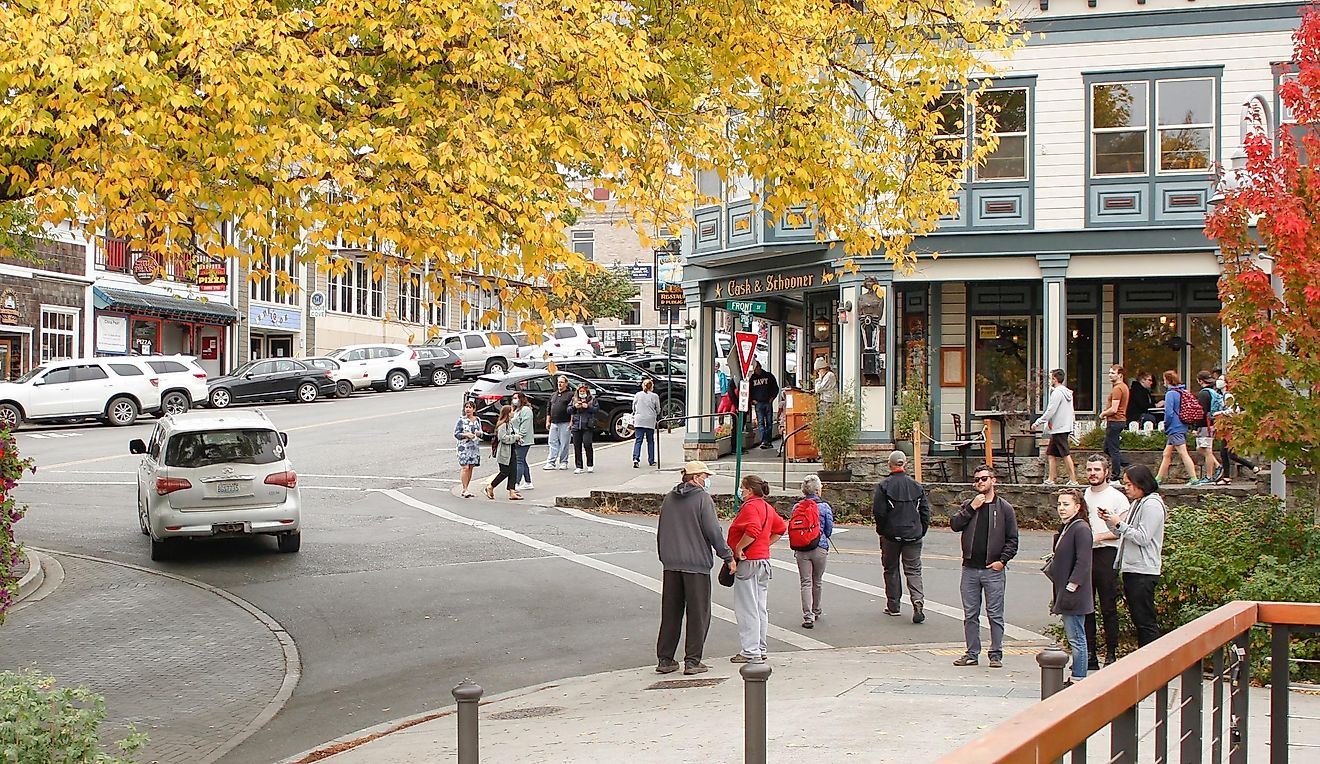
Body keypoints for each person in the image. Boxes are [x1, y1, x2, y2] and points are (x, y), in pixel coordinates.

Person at [656, 461, 735, 676]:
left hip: (671, 563)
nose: (707, 480)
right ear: (696, 477)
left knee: (671, 612)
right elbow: (713, 531)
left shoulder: (669, 498)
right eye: (705, 476)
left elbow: (662, 529)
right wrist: (727, 556)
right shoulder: (702, 499)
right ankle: (693, 661)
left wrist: (664, 556)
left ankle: (665, 659)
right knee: (698, 613)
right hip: (696, 564)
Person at [950, 464, 1019, 668]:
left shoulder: (1004, 508)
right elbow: (955, 525)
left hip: (992, 570)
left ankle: (995, 653)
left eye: (984, 478)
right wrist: (972, 508)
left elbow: (1012, 539)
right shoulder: (969, 505)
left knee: (995, 614)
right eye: (977, 479)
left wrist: (1002, 561)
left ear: (993, 481)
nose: (980, 482)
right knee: (970, 613)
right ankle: (972, 653)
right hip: (970, 568)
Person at [1101, 464, 1166, 648]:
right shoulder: (1138, 503)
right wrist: (1110, 521)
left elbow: (1143, 537)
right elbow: (1124, 532)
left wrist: (1119, 524)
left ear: (1141, 484)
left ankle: (1151, 660)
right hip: (1131, 568)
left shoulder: (1152, 504)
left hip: (1143, 570)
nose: (1126, 488)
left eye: (1129, 484)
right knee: (1139, 619)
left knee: (1145, 621)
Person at [728, 475, 786, 664]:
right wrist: (765, 544)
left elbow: (752, 529)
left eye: (742, 488)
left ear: (750, 490)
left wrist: (739, 548)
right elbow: (780, 528)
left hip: (749, 562)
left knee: (747, 608)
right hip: (762, 560)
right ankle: (760, 647)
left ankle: (750, 650)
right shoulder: (767, 507)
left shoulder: (750, 507)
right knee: (760, 607)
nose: (740, 491)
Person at [872, 450, 931, 624]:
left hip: (891, 534)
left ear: (889, 465)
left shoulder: (884, 486)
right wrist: (921, 530)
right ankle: (917, 601)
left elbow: (879, 512)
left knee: (891, 569)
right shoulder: (916, 486)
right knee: (913, 570)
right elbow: (925, 512)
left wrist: (882, 530)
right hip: (913, 534)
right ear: (905, 464)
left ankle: (894, 605)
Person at [1082, 454, 1128, 670]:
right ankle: (1090, 654)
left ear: (1106, 472)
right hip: (1087, 554)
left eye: (1097, 470)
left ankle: (1111, 652)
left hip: (1107, 553)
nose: (1092, 473)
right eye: (1090, 469)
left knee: (1108, 606)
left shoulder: (1117, 498)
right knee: (1087, 605)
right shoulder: (1084, 495)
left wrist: (1099, 537)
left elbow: (1123, 530)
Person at [1047, 489, 1094, 686]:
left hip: (1074, 591)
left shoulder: (1081, 528)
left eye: (1066, 504)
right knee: (1074, 634)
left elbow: (1084, 561)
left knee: (1077, 636)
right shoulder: (1067, 527)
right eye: (1059, 504)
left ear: (1078, 506)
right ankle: (1077, 672)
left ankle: (1079, 676)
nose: (1062, 509)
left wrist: (1072, 586)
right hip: (1065, 588)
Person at [794, 475, 834, 629]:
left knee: (805, 581)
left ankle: (807, 615)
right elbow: (829, 529)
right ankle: (816, 609)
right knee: (817, 580)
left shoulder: (797, 507)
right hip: (819, 547)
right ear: (817, 490)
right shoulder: (824, 507)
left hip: (801, 548)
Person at [1156, 370, 1203, 486]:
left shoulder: (1170, 394)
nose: (1163, 383)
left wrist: (1166, 425)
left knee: (1183, 453)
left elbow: (1169, 413)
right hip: (1181, 425)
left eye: (1164, 380)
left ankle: (1194, 478)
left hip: (1174, 428)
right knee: (1166, 454)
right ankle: (1158, 479)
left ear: (1167, 380)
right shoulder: (1181, 392)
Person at [1033, 368, 1078, 485]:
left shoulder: (1057, 393)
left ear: (1055, 379)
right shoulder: (1067, 393)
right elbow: (1070, 411)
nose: (1050, 380)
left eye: (1051, 378)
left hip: (1059, 429)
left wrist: (1038, 422)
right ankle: (1051, 479)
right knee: (1051, 454)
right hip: (1061, 427)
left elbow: (1051, 410)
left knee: (1065, 454)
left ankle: (1073, 480)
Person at [1214, 375, 1259, 481]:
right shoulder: (1224, 395)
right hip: (1226, 426)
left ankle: (1251, 467)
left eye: (1221, 380)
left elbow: (1233, 410)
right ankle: (1228, 477)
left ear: (1226, 383)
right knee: (1225, 453)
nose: (1218, 382)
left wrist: (1220, 413)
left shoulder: (1228, 396)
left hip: (1230, 426)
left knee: (1228, 453)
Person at [485, 405, 524, 500]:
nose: (513, 413)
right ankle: (491, 486)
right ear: (507, 413)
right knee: (504, 472)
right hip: (504, 452)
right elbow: (503, 438)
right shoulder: (502, 425)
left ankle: (512, 492)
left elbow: (511, 435)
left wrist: (517, 438)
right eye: (512, 411)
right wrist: (515, 437)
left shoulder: (509, 424)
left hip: (511, 450)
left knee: (513, 471)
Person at [1100, 364, 1131, 481]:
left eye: (1113, 373)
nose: (1110, 375)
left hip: (1115, 421)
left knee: (1113, 450)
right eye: (1109, 372)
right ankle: (1128, 465)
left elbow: (1114, 409)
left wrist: (1103, 414)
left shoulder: (1118, 389)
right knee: (1107, 448)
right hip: (1118, 421)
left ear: (1120, 375)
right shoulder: (1124, 387)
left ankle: (1115, 476)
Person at [1193, 370, 1222, 484]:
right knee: (1201, 448)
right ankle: (1218, 466)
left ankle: (1209, 476)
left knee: (1207, 450)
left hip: (1206, 425)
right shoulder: (1212, 392)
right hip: (1212, 424)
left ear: (1200, 381)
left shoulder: (1203, 394)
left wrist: (1196, 427)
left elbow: (1201, 412)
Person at [454, 401, 484, 498]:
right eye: (466, 407)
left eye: (470, 407)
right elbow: (456, 434)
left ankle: (467, 487)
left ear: (474, 409)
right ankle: (464, 489)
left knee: (470, 467)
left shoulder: (477, 420)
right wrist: (466, 434)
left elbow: (481, 432)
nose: (468, 409)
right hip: (463, 447)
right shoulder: (461, 420)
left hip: (474, 447)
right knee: (465, 467)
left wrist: (478, 433)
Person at [748, 361, 780, 449]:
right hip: (758, 403)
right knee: (761, 423)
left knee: (769, 422)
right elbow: (749, 390)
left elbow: (775, 388)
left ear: (760, 367)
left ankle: (768, 441)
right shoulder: (752, 378)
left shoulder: (768, 376)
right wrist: (752, 400)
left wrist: (772, 398)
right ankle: (763, 441)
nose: (756, 370)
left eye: (756, 368)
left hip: (767, 402)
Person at [544, 375, 574, 471]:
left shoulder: (570, 395)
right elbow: (549, 408)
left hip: (565, 422)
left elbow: (572, 409)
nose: (559, 384)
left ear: (566, 383)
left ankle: (563, 462)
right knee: (552, 442)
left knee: (564, 443)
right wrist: (548, 421)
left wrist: (571, 422)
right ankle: (551, 462)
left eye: (561, 382)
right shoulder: (553, 395)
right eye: (558, 382)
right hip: (554, 422)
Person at [570, 382, 599, 474]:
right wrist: (575, 407)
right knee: (577, 446)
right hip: (576, 425)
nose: (582, 393)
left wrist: (588, 407)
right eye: (580, 391)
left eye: (583, 391)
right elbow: (568, 410)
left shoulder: (592, 399)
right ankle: (579, 466)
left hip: (587, 425)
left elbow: (596, 409)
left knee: (587, 444)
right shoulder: (574, 399)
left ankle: (590, 465)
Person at [632, 378, 661, 469]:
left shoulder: (638, 395)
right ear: (652, 386)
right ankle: (651, 460)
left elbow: (633, 407)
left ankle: (636, 458)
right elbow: (658, 410)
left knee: (638, 440)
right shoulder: (655, 396)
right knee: (650, 441)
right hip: (650, 420)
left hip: (639, 420)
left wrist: (636, 413)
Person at [511, 391, 535, 490]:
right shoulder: (517, 410)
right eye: (513, 398)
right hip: (517, 438)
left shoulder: (526, 410)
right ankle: (528, 482)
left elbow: (525, 425)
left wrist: (520, 436)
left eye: (516, 398)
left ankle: (516, 482)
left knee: (519, 461)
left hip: (523, 440)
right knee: (522, 460)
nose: (514, 400)